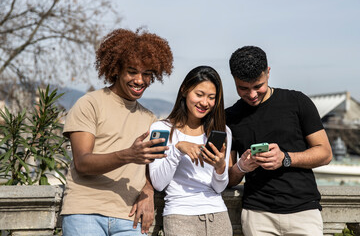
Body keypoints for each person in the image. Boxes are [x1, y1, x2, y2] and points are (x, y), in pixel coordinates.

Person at [61, 28, 174, 236]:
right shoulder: (89, 104)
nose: (140, 80)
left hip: (129, 217)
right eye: (132, 71)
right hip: (85, 212)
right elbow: (83, 163)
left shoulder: (150, 119)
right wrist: (129, 155)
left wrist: (148, 191)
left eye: (147, 74)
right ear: (116, 70)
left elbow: (152, 168)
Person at [226, 46, 333, 236]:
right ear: (233, 79)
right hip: (257, 215)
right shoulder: (230, 117)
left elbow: (325, 153)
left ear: (268, 72)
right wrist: (242, 166)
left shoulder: (297, 101)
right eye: (243, 88)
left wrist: (285, 158)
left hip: (304, 211)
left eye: (258, 86)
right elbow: (228, 178)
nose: (252, 95)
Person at [149, 66, 233, 236]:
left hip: (219, 218)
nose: (205, 103)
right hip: (180, 218)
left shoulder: (223, 131)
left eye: (211, 97)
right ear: (185, 90)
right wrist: (178, 149)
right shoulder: (160, 129)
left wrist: (220, 167)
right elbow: (158, 183)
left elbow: (219, 188)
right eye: (199, 94)